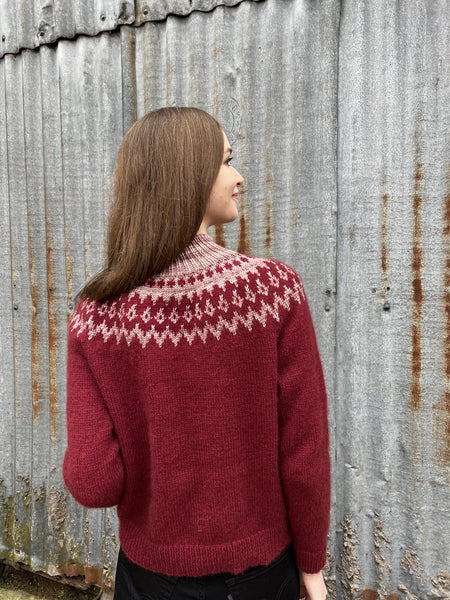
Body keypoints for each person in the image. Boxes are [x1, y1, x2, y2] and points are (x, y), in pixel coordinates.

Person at [63, 107, 331, 600]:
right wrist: (311, 565)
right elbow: (304, 451)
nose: (239, 176)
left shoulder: (96, 315)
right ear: (187, 176)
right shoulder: (273, 292)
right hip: (259, 575)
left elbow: (94, 483)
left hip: (148, 578)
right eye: (225, 161)